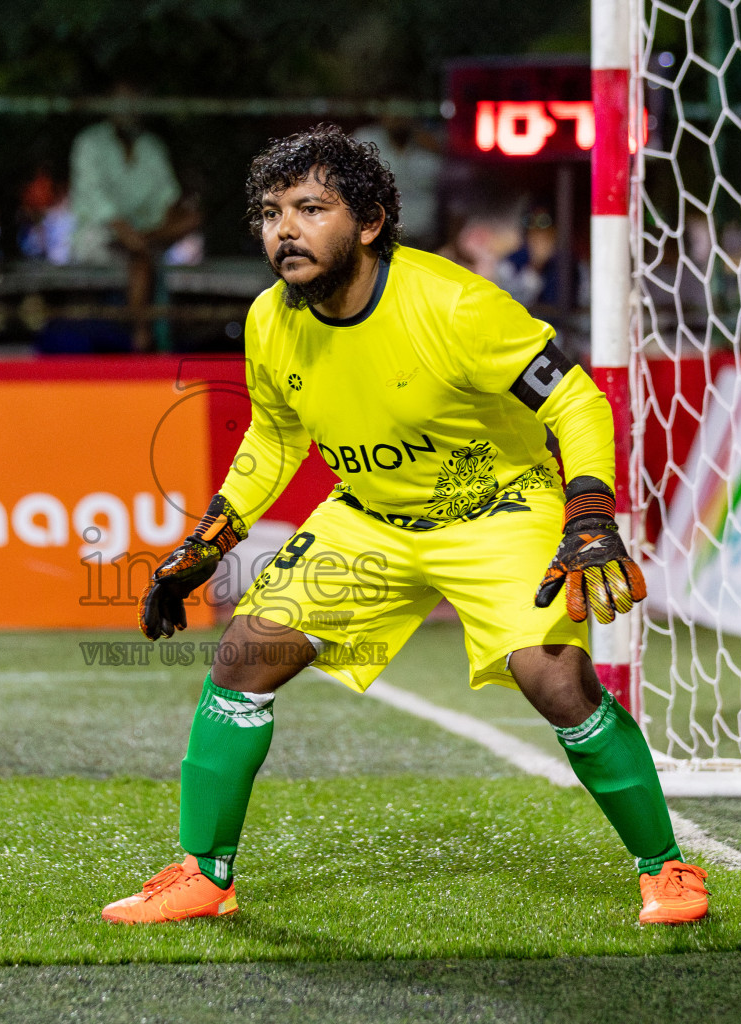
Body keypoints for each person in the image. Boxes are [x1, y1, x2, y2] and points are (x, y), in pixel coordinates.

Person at [103, 125, 708, 927]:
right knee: (243, 660)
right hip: (368, 517)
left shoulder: (453, 304)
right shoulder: (268, 319)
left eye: (312, 208)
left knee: (556, 679)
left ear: (371, 221)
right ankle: (202, 876)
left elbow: (576, 399)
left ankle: (665, 868)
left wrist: (589, 509)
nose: (285, 229)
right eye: (272, 212)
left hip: (496, 509)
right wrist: (213, 534)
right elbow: (276, 437)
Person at [68, 81, 201, 351]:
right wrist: (126, 232)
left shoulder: (151, 147)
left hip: (146, 233)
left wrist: (171, 219)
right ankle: (141, 334)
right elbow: (95, 200)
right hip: (100, 235)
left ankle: (143, 244)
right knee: (140, 255)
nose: (128, 110)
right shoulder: (89, 143)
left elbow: (167, 197)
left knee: (188, 219)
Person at [351, 117, 443, 246]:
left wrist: (440, 149)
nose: (398, 116)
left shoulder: (432, 142)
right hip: (379, 238)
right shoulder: (365, 139)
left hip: (425, 238)